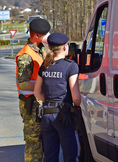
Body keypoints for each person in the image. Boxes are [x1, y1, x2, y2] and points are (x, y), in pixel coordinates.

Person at [34, 32, 81, 162]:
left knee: (50, 156)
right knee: (70, 155)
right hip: (63, 116)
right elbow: (76, 98)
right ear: (65, 47)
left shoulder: (44, 66)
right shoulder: (70, 66)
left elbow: (37, 92)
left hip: (46, 115)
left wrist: (50, 103)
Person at [15, 18, 50, 162]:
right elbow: (22, 84)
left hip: (39, 102)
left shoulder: (42, 49)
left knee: (42, 142)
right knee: (33, 143)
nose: (48, 36)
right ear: (37, 35)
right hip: (31, 104)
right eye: (45, 34)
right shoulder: (26, 56)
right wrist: (45, 87)